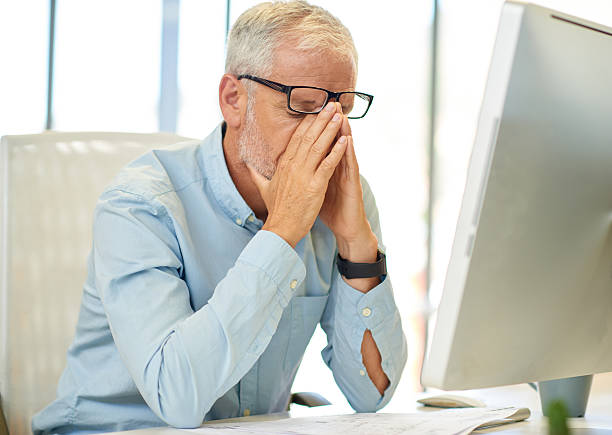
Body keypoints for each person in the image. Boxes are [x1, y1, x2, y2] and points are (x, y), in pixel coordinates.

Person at [32, 1, 407, 433]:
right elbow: (177, 398)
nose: (326, 133)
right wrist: (282, 232)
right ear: (234, 99)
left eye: (341, 108)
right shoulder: (139, 206)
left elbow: (372, 393)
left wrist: (357, 244)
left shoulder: (343, 204)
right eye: (302, 106)